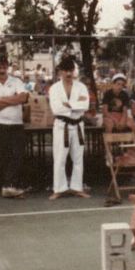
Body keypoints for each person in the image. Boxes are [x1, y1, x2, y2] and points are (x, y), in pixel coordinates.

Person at [0, 53, 30, 198]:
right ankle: (9, 186)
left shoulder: (16, 81)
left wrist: (2, 99)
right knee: (7, 155)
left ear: (8, 67)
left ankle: (10, 186)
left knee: (18, 154)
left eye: (4, 67)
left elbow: (23, 98)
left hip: (16, 124)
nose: (2, 70)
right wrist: (13, 99)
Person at [48, 57, 91, 201]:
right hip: (62, 126)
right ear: (60, 71)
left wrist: (68, 105)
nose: (68, 73)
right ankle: (59, 189)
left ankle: (76, 187)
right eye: (65, 70)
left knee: (78, 158)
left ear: (74, 71)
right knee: (60, 158)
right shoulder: (54, 88)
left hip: (78, 125)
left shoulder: (81, 87)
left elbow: (84, 106)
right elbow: (56, 109)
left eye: (71, 70)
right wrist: (74, 105)